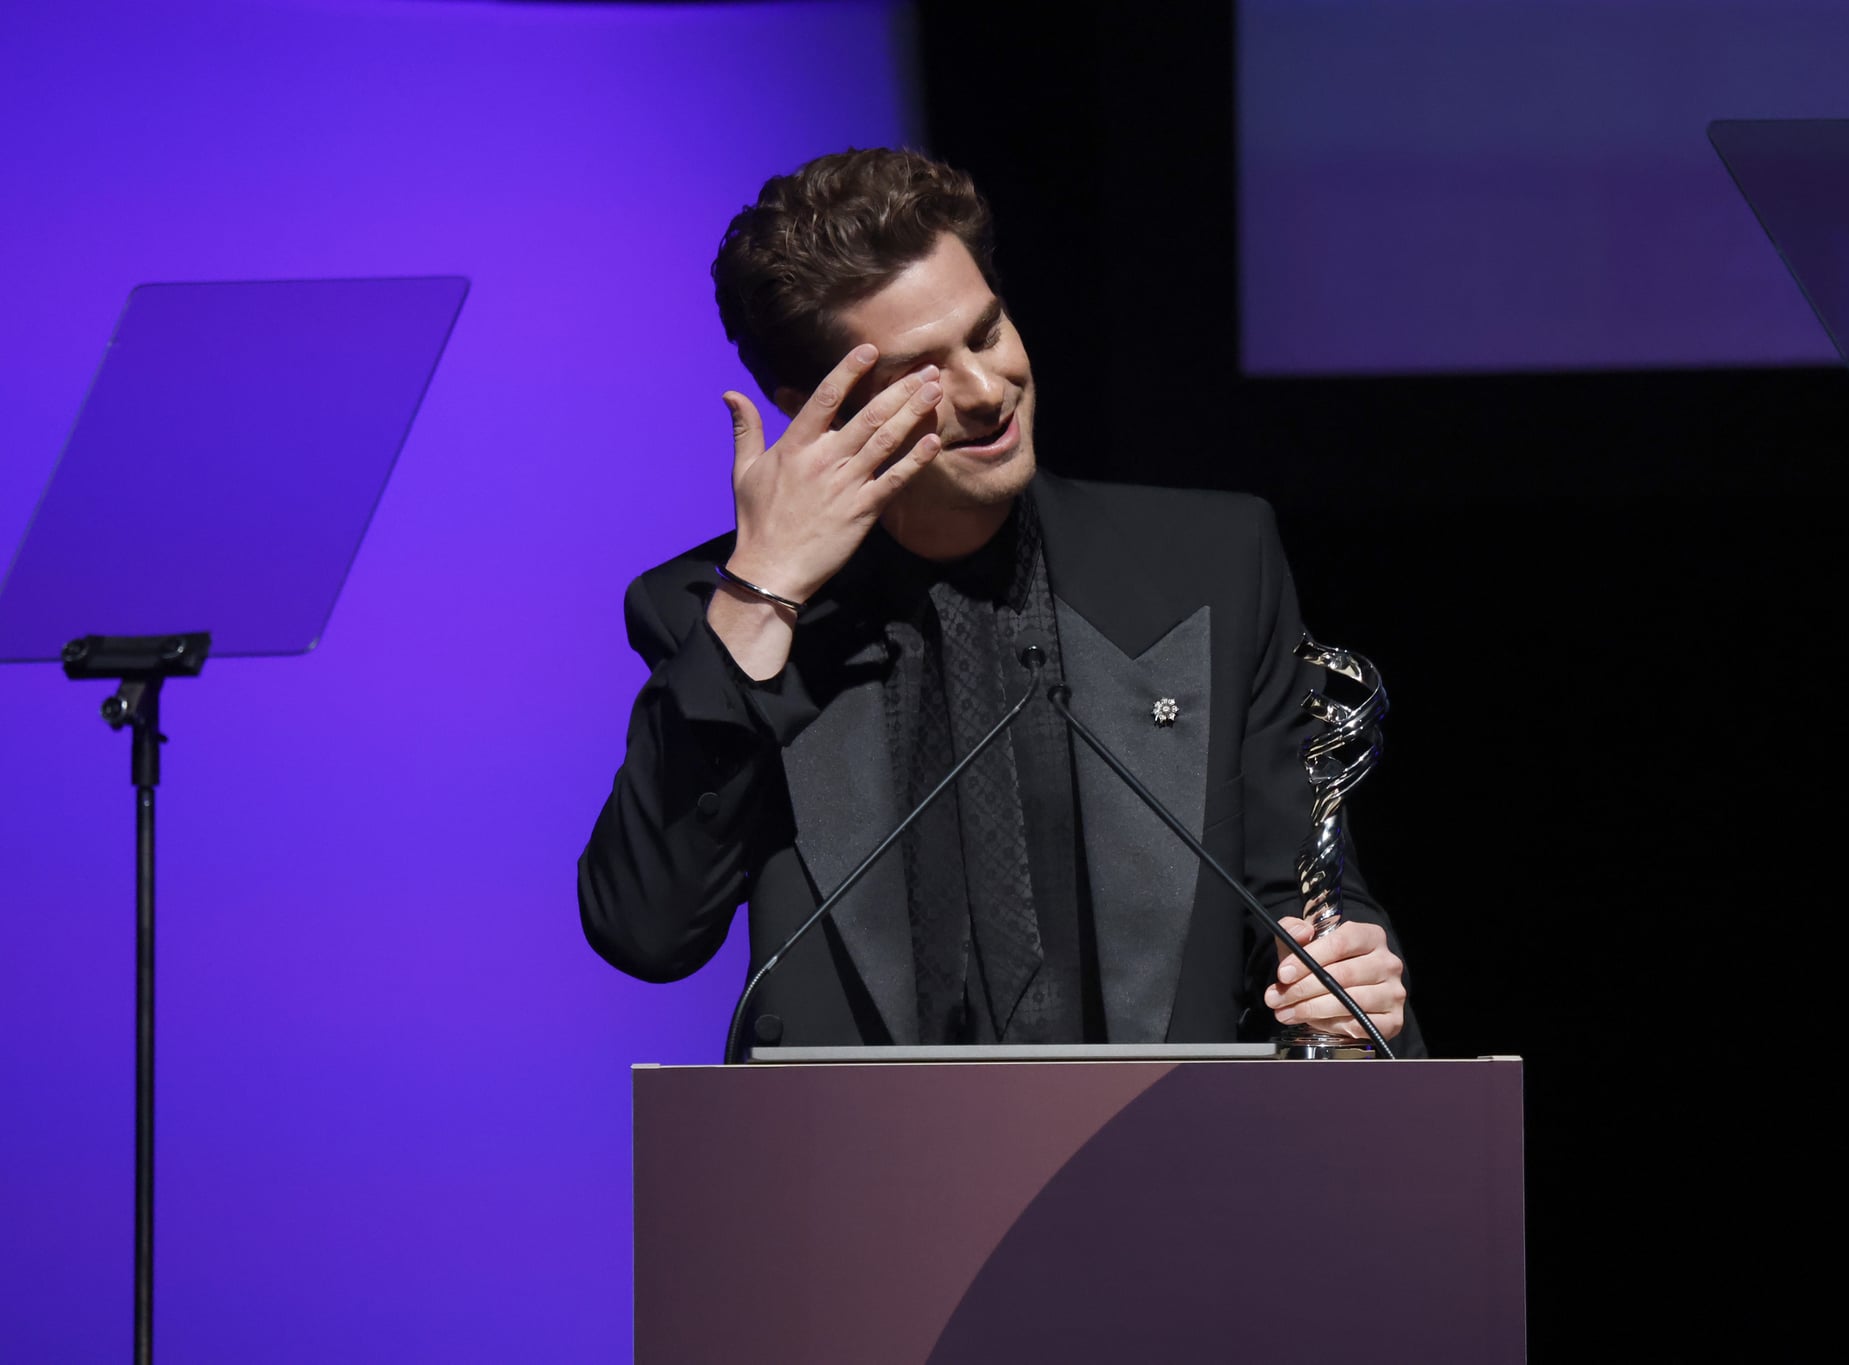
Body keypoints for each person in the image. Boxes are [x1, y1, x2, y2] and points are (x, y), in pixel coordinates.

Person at [577, 147, 1419, 1052]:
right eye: (920, 372)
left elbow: (1294, 893)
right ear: (811, 408)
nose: (986, 392)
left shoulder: (1209, 566)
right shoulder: (715, 614)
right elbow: (647, 931)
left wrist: (1345, 975)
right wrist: (764, 596)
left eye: (984, 333)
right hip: (853, 1175)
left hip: (1160, 1155)